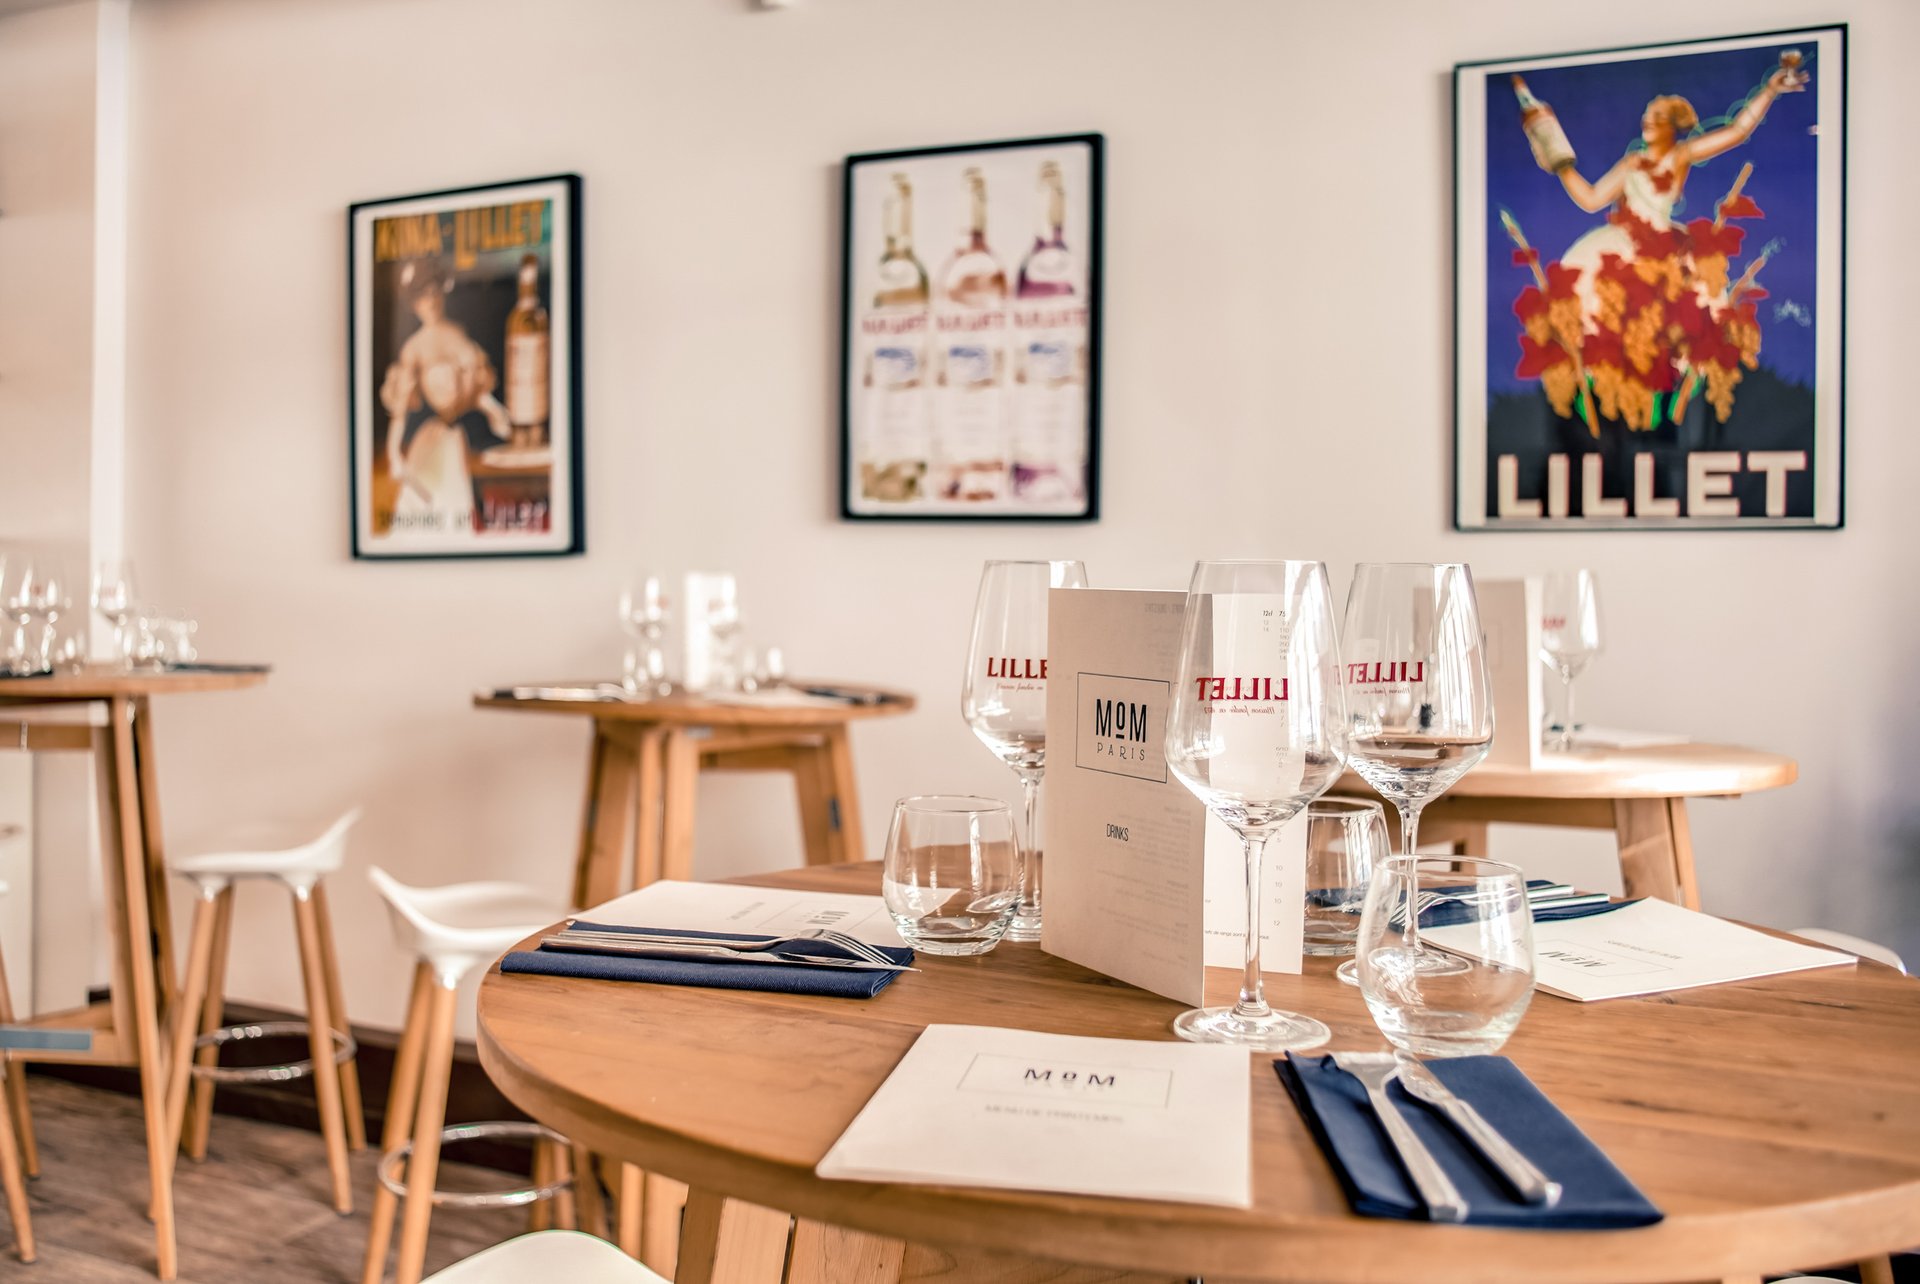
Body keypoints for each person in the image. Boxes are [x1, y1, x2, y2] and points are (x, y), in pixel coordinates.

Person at [1512, 56, 1806, 430]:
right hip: (1620, 247)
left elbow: (1737, 131)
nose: (1647, 123)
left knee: (1679, 329)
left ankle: (1659, 418)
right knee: (1603, 327)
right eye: (1647, 117)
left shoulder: (1682, 155)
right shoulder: (1632, 163)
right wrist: (1562, 167)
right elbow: (1590, 199)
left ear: (1672, 126)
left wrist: (1769, 91)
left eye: (1657, 118)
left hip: (1666, 252)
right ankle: (1612, 412)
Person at [378, 261, 511, 533]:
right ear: (414, 305)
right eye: (423, 297)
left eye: (434, 293)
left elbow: (476, 390)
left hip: (459, 437)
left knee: (458, 499)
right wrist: (393, 454)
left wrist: (495, 411)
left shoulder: (457, 335)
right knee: (425, 505)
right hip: (430, 440)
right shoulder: (414, 348)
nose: (431, 302)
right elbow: (400, 410)